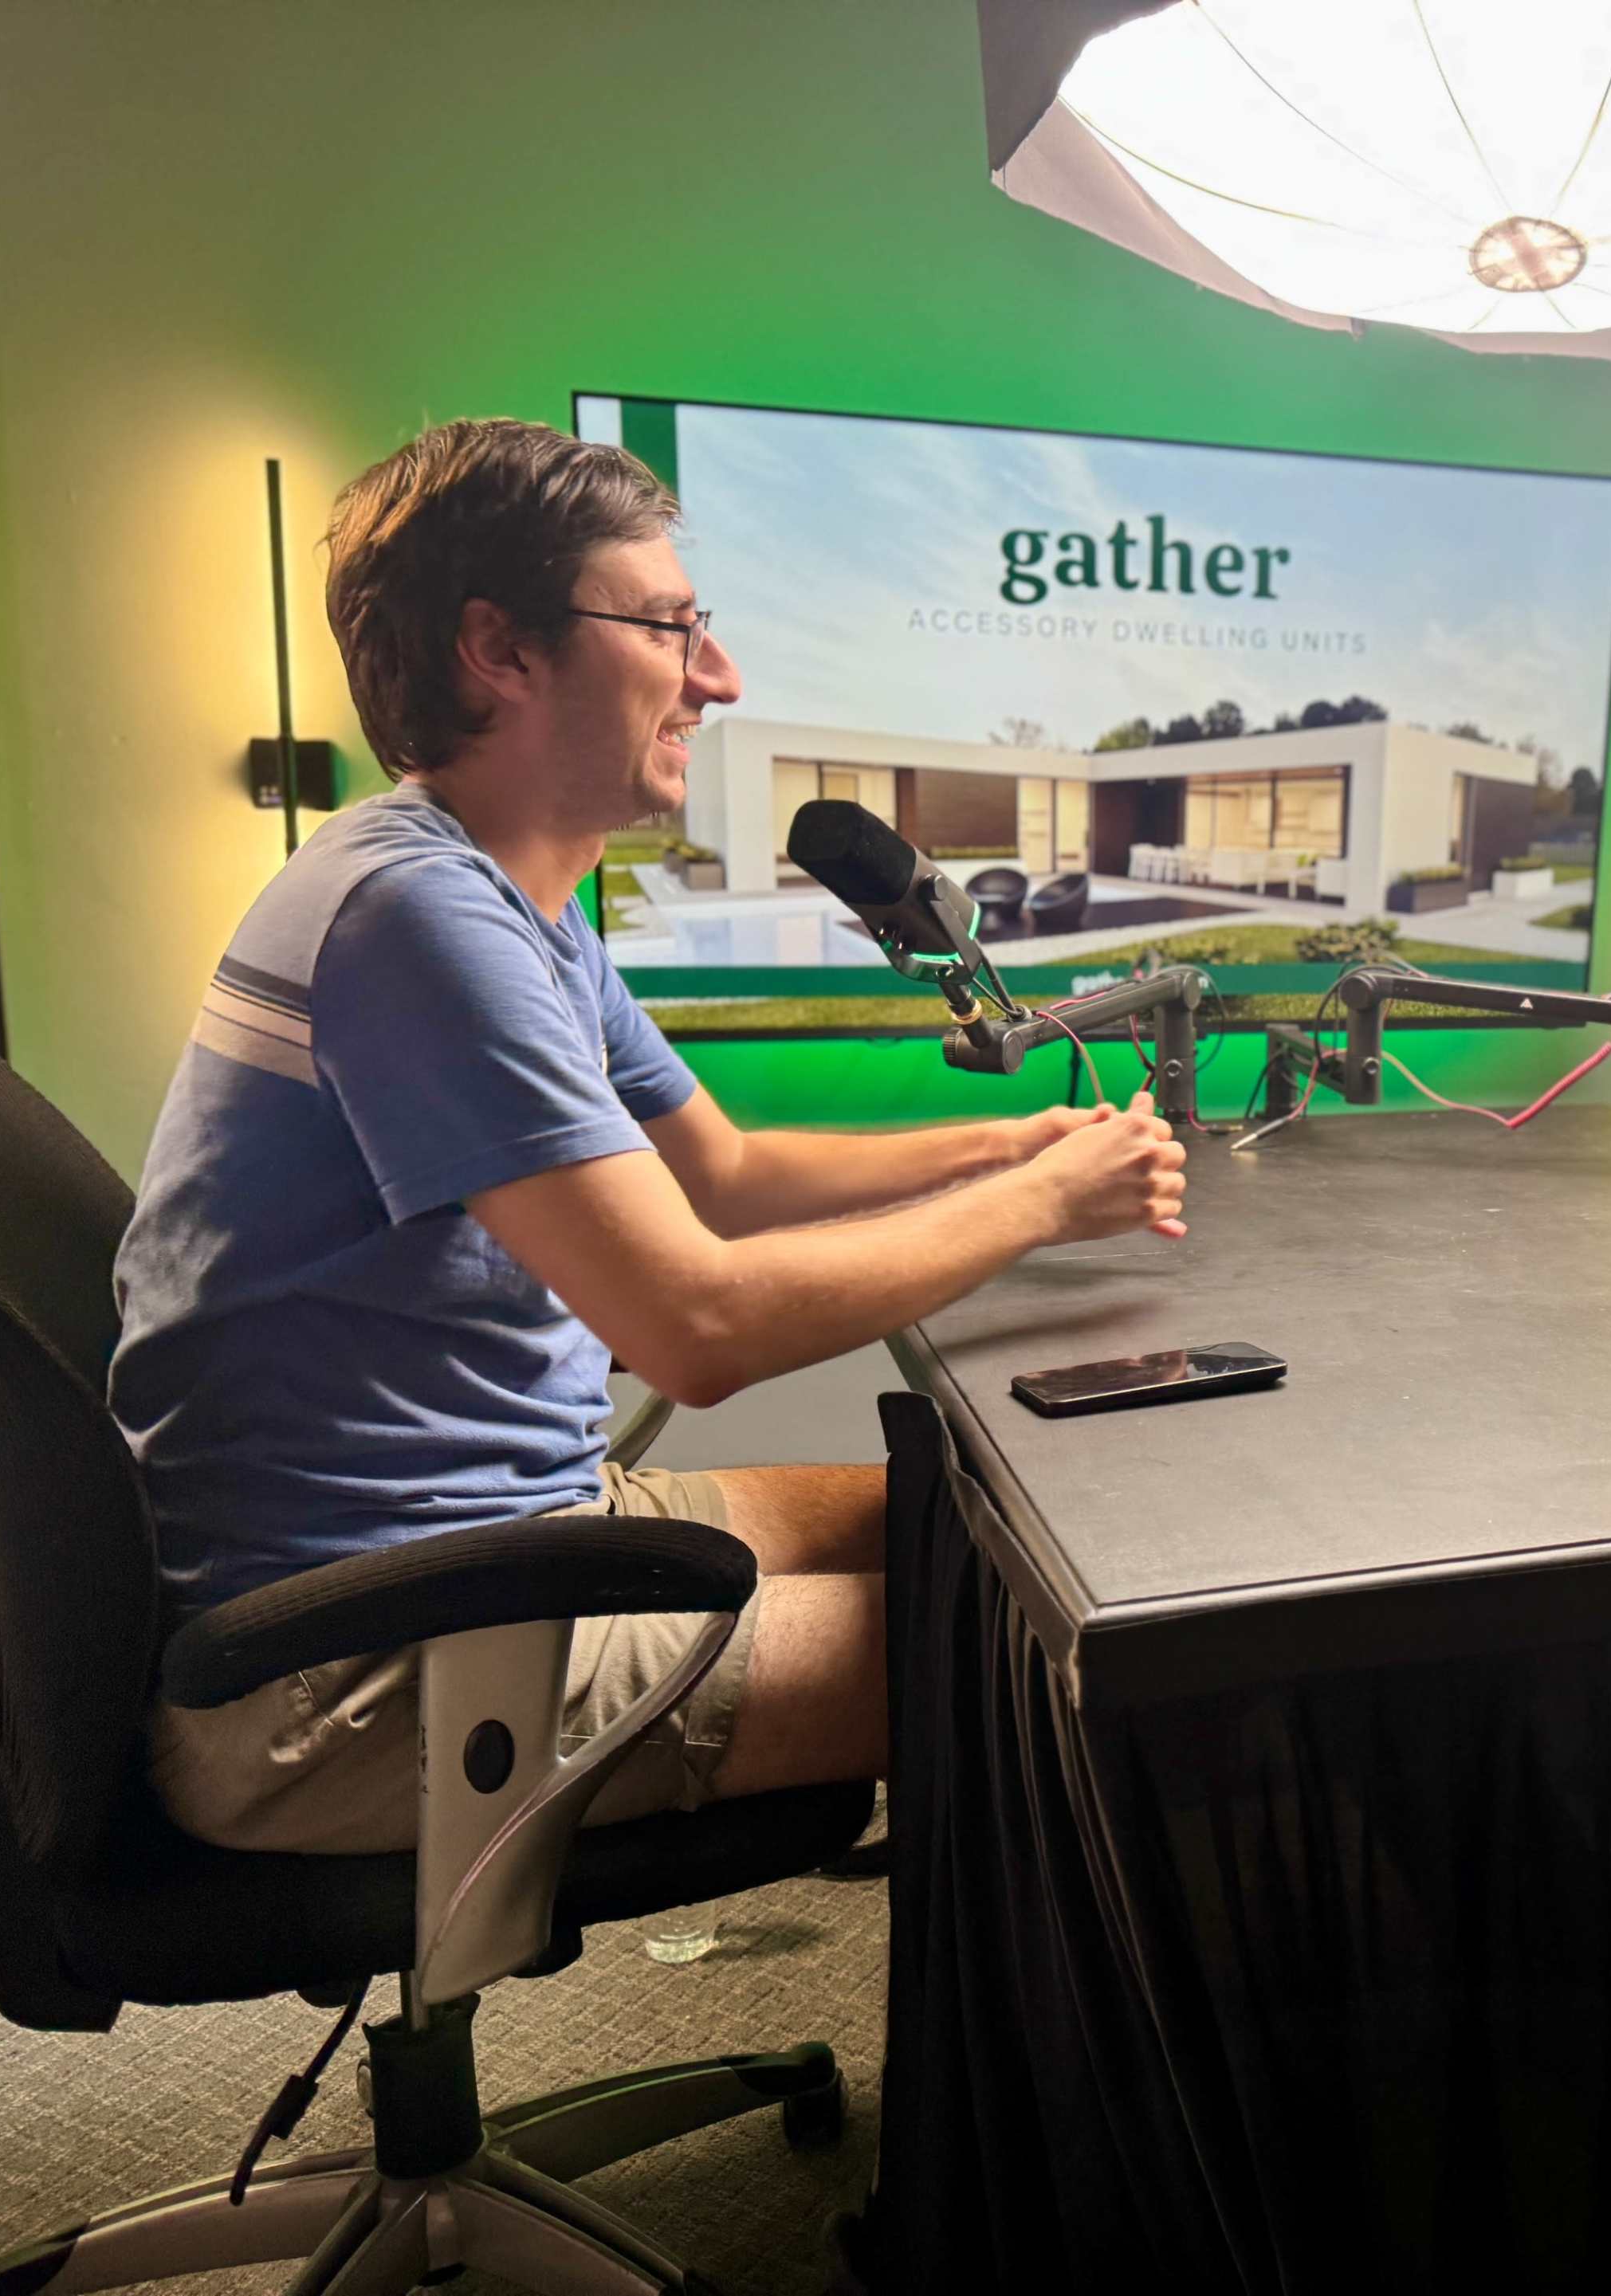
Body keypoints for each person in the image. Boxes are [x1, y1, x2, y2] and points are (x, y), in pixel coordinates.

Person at [113, 417, 1188, 1854]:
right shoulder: (417, 918)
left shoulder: (516, 901)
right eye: (674, 629)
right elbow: (696, 1324)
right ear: (502, 650)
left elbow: (727, 1178)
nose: (720, 679)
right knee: (1054, 1648)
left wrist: (1009, 1150)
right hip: (346, 1673)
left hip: (502, 1534)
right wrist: (1053, 1203)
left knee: (983, 1529)